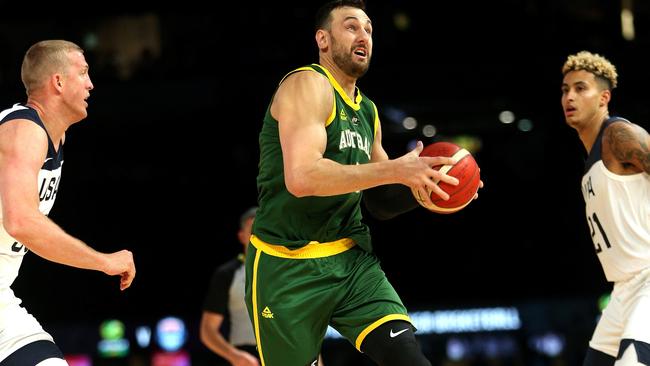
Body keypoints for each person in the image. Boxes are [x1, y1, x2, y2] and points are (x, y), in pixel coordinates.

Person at [244, 1, 481, 365]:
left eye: (369, 30)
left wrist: (432, 186)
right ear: (322, 39)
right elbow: (302, 177)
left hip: (350, 259)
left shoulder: (367, 111)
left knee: (408, 358)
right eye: (352, 27)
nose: (364, 36)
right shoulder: (306, 84)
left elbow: (380, 202)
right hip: (285, 266)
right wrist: (398, 170)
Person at [0, 40, 136, 365]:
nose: (90, 83)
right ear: (58, 82)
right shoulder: (24, 129)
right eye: (84, 73)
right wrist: (103, 261)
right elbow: (20, 221)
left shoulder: (51, 137)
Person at [561, 51, 650, 366]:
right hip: (624, 289)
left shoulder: (619, 135)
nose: (570, 96)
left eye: (580, 88)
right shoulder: (591, 162)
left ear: (604, 98)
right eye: (565, 89)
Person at [201, 207, 260, 366]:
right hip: (247, 356)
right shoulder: (227, 274)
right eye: (253, 230)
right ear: (241, 236)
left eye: (264, 229)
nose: (260, 235)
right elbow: (207, 330)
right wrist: (234, 356)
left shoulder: (288, 271)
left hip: (287, 354)